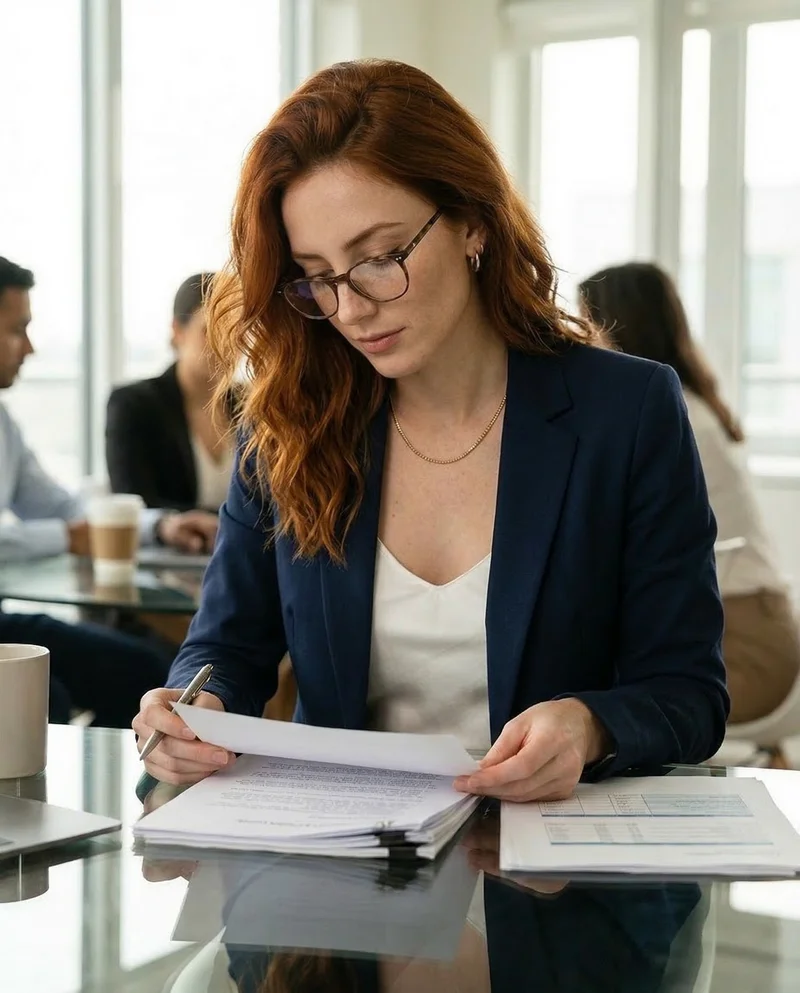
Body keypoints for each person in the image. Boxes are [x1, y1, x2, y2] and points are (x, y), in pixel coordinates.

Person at [134, 60, 728, 801]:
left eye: (380, 258)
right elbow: (227, 646)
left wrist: (588, 724)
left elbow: (688, 691)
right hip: (343, 860)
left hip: (554, 875)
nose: (350, 308)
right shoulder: (287, 422)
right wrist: (194, 705)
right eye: (318, 274)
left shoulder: (628, 410)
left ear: (471, 222)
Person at [579, 261, 800, 724]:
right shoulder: (693, 404)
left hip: (745, 642)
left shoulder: (669, 418)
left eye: (586, 322)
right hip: (755, 621)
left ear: (615, 324)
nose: (582, 342)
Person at [0, 256, 218, 724]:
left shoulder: (3, 426)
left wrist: (164, 526)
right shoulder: (139, 403)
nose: (31, 348)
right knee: (45, 698)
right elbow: (67, 527)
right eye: (18, 330)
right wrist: (66, 537)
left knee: (142, 670)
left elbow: (63, 506)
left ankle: (125, 792)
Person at [106, 272, 237, 513]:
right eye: (210, 331)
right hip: (171, 550)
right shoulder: (135, 405)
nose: (225, 343)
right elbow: (135, 503)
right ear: (178, 331)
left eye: (234, 330)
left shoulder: (251, 406)